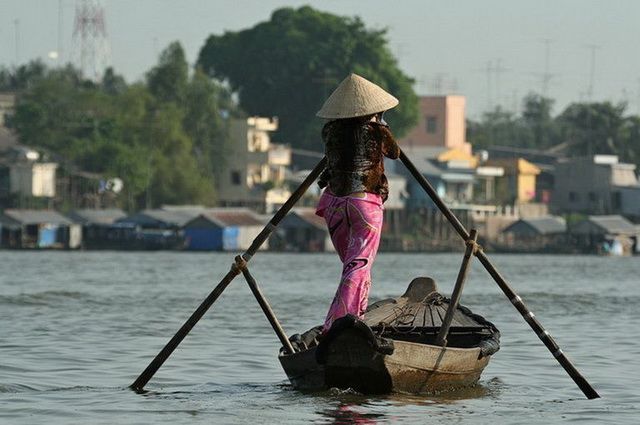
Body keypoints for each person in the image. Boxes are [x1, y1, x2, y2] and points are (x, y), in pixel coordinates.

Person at [315, 73, 401, 332]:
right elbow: (395, 153)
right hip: (364, 203)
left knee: (352, 266)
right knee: (358, 266)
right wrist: (381, 125)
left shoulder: (329, 130)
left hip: (333, 203)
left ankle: (353, 316)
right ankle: (338, 324)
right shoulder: (377, 131)